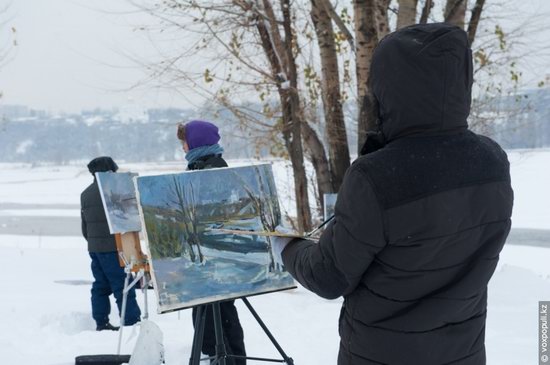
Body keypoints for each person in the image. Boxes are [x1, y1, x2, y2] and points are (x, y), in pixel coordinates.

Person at [273, 23, 513, 365]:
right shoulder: (492, 161)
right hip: (463, 353)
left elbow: (329, 276)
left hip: (381, 355)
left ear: (388, 88)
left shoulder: (376, 177)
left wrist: (287, 245)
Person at [177, 120, 247, 365]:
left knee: (222, 315)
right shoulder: (199, 166)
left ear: (195, 141)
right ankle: (220, 357)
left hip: (219, 259)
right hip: (205, 259)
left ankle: (230, 359)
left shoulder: (214, 169)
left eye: (184, 142)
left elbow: (217, 215)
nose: (183, 148)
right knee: (206, 317)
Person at [81, 156, 141, 331]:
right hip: (114, 248)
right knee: (123, 286)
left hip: (94, 248)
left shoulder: (85, 194)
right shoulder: (114, 192)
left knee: (100, 286)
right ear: (109, 171)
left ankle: (101, 322)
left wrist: (94, 242)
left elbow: (84, 227)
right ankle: (131, 323)